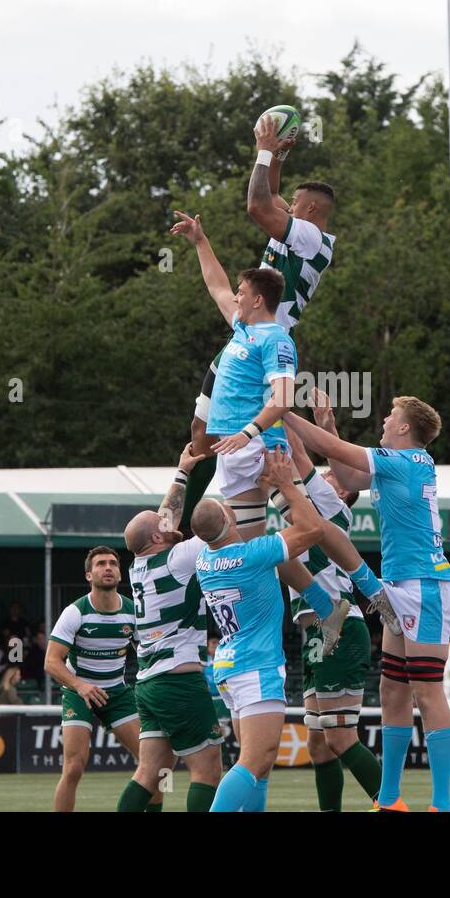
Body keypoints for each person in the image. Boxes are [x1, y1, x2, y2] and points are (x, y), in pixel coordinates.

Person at [167, 214, 350, 652]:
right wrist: (200, 239)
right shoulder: (242, 326)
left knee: (311, 526)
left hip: (263, 449)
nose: (235, 295)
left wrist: (251, 433)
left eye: (243, 292)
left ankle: (369, 588)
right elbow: (215, 284)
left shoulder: (274, 337)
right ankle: (325, 607)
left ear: (256, 299)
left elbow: (282, 400)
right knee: (255, 553)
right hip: (235, 454)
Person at [284, 396, 450, 812]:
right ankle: (391, 798)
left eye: (391, 416)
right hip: (399, 584)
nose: (383, 420)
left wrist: (278, 411)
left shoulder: (409, 460)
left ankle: (443, 802)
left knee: (426, 690)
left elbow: (333, 456)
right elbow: (344, 470)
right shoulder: (393, 466)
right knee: (392, 690)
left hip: (426, 584)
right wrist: (327, 428)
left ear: (404, 428)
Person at [170, 112, 336, 537]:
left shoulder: (310, 238)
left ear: (310, 210)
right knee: (202, 433)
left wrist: (264, 152)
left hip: (264, 349)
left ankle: (325, 536)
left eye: (293, 205)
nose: (285, 205)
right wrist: (277, 156)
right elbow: (222, 289)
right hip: (245, 342)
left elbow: (259, 204)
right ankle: (193, 518)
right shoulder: (295, 239)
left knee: (279, 453)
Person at [192, 448, 325, 811]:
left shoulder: (206, 557)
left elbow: (240, 533)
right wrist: (284, 484)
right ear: (228, 520)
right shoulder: (255, 554)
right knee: (253, 762)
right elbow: (313, 528)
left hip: (231, 665)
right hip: (256, 665)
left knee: (260, 767)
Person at [276, 422, 383, 811]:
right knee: (319, 744)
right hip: (320, 632)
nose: (323, 474)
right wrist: (325, 423)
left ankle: (390, 803)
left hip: (336, 625)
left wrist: (275, 411)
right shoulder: (321, 504)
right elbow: (326, 453)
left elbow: (302, 454)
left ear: (341, 491)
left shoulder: (328, 502)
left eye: (330, 476)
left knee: (339, 737)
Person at [116, 444, 225, 814]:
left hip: (148, 683)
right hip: (178, 680)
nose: (169, 522)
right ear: (159, 537)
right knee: (208, 770)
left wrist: (182, 473)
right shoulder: (179, 558)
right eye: (163, 525)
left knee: (150, 772)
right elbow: (212, 525)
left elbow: (165, 518)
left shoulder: (138, 567)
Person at [46, 546, 157, 812]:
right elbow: (51, 661)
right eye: (100, 564)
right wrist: (80, 685)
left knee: (152, 765)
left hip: (116, 693)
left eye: (112, 564)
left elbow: (148, 654)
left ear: (120, 573)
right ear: (88, 575)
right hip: (79, 692)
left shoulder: (133, 612)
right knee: (73, 768)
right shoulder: (76, 612)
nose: (107, 568)